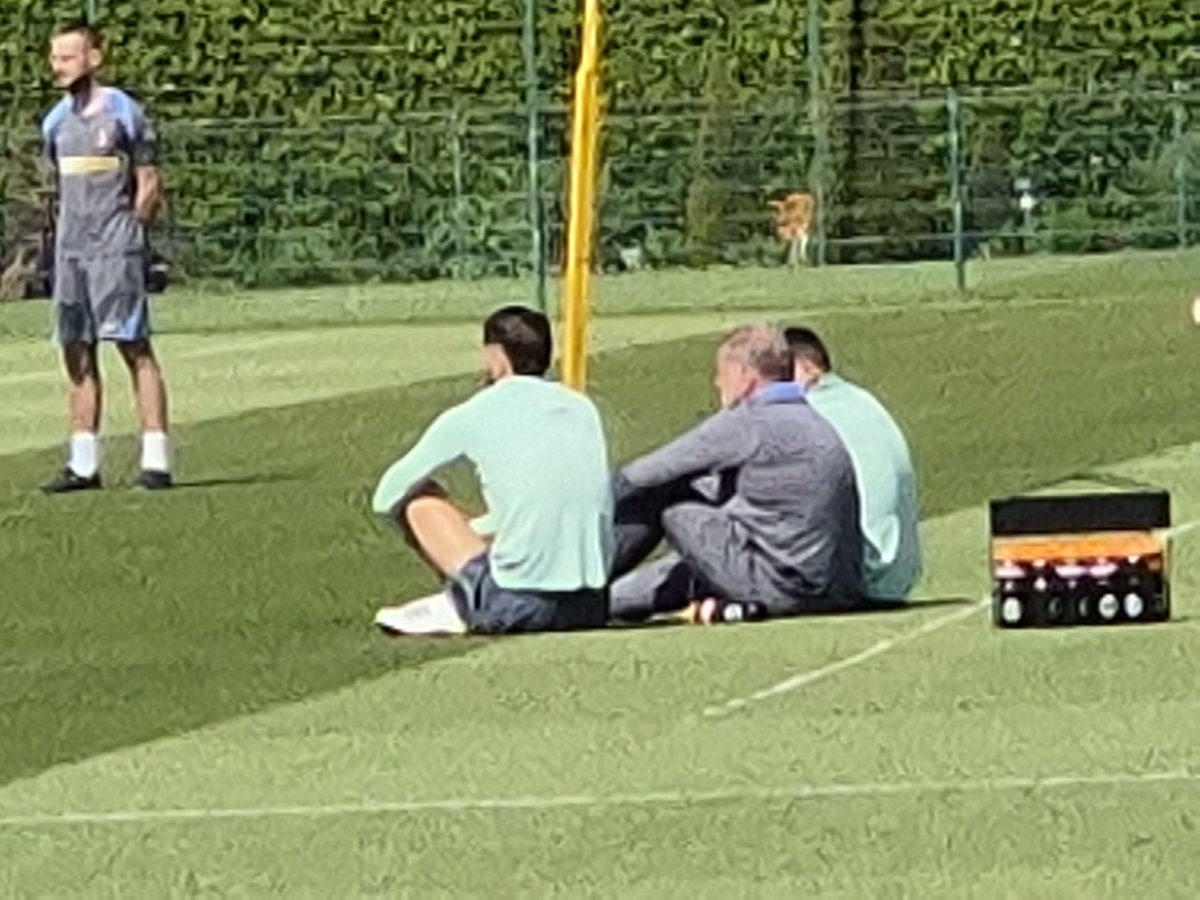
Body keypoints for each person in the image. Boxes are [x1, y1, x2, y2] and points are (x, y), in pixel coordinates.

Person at [370, 306, 613, 636]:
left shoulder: (474, 412)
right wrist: (483, 527)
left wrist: (463, 529)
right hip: (592, 605)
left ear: (497, 356)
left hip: (514, 604)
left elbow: (387, 495)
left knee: (417, 497)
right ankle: (468, 594)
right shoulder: (582, 408)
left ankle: (460, 600)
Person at [609, 324, 864, 624]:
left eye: (722, 373)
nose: (718, 383)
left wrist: (586, 508)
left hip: (780, 585)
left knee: (666, 493)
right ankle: (602, 602)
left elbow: (641, 475)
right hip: (835, 588)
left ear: (745, 376)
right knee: (661, 573)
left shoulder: (749, 421)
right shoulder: (815, 421)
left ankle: (577, 585)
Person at [39, 21, 172, 493]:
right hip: (71, 253)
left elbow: (149, 179)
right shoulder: (55, 122)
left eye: (68, 57)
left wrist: (135, 235)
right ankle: (83, 464)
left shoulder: (123, 111)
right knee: (76, 351)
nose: (58, 67)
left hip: (115, 248)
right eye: (55, 58)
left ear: (94, 58)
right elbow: (57, 190)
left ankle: (156, 460)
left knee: (133, 346)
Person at [785, 326, 922, 602]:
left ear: (806, 369)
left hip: (860, 580)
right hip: (897, 578)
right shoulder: (861, 401)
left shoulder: (810, 413)